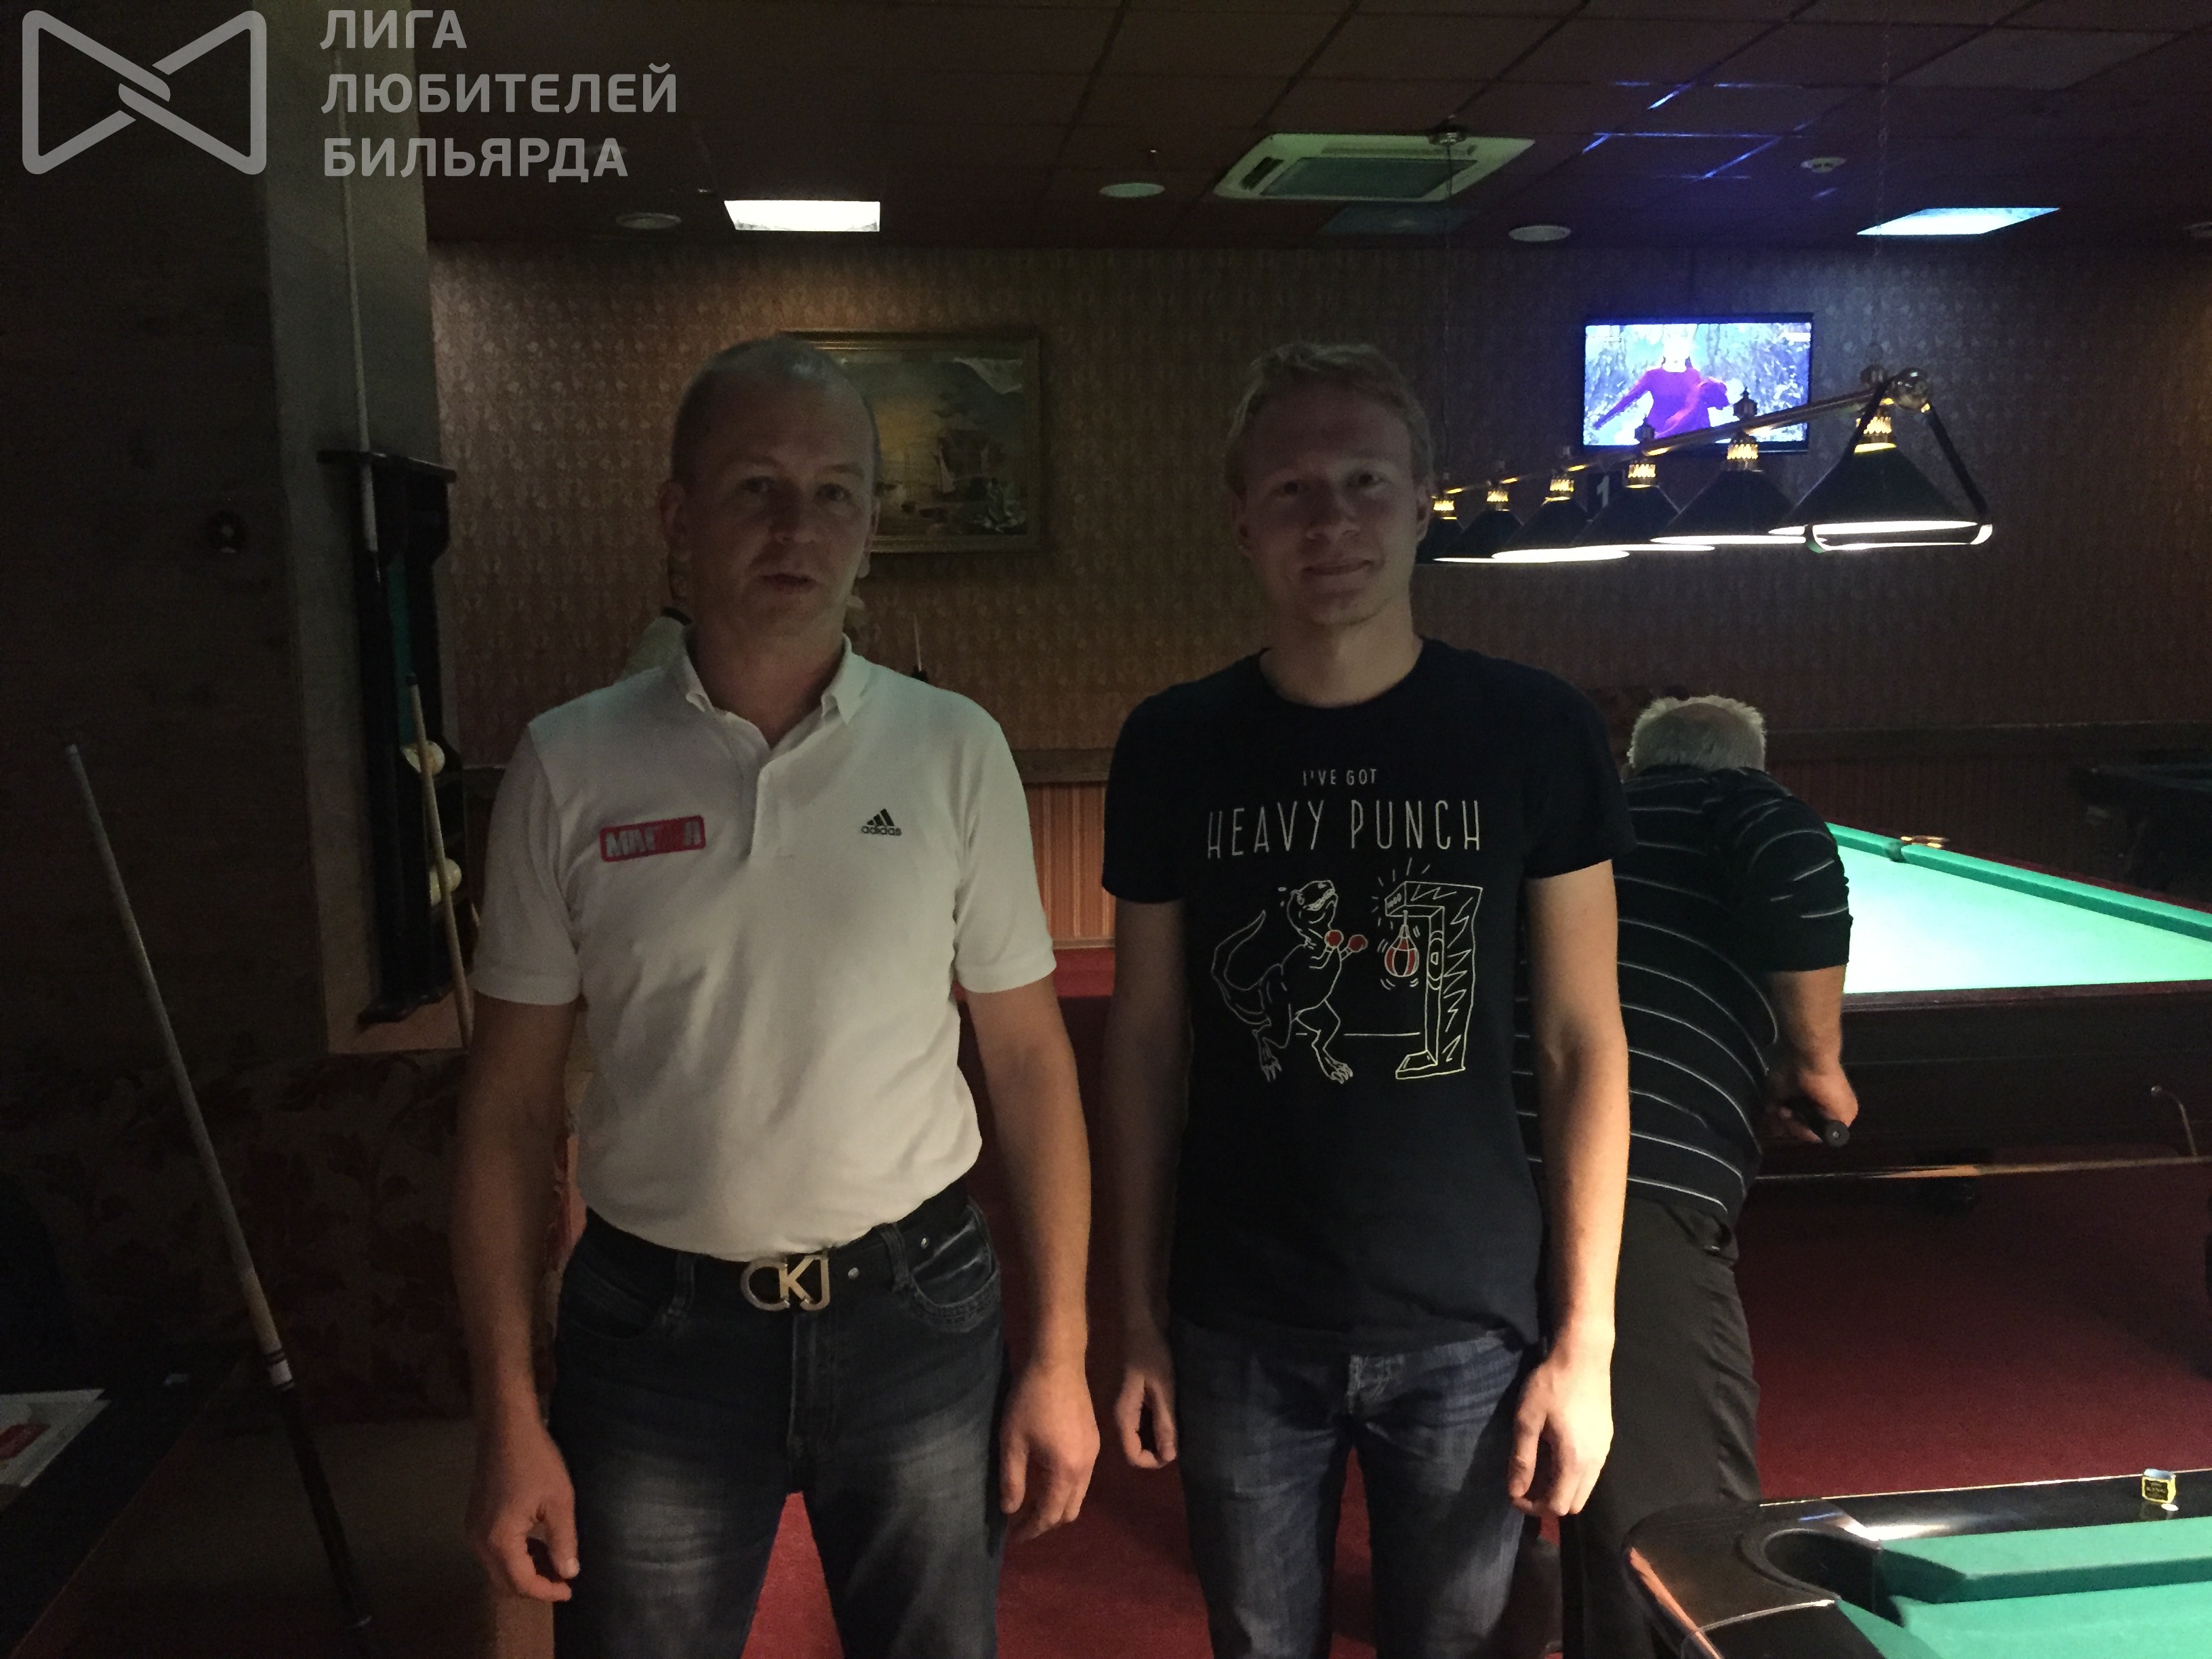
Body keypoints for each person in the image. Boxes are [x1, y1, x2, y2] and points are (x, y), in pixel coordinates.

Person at [451, 335, 1099, 1658]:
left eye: (834, 492)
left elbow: (1032, 1064)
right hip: (656, 1339)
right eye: (756, 487)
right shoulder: (569, 764)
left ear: (870, 529)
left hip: (918, 1313)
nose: (797, 527)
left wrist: (1061, 1356)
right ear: (677, 518)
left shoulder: (952, 748)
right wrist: (508, 1414)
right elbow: (509, 1112)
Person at [1101, 342, 1635, 1659]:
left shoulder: (1535, 730)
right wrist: (1133, 1314)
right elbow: (1145, 1045)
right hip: (1236, 1320)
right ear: (1242, 521)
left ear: (1423, 502)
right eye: (1292, 489)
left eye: (1364, 481)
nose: (1330, 519)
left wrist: (1587, 1344)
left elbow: (1582, 1044)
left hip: (1471, 1319)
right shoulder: (1173, 744)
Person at [1541, 694, 1856, 1659]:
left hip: (1485, 1155)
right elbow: (1793, 859)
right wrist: (1817, 1063)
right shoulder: (1739, 803)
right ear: (1747, 766)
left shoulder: (1583, 820)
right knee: (1680, 1525)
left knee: (1537, 1451)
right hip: (1638, 1164)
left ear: (1637, 767)